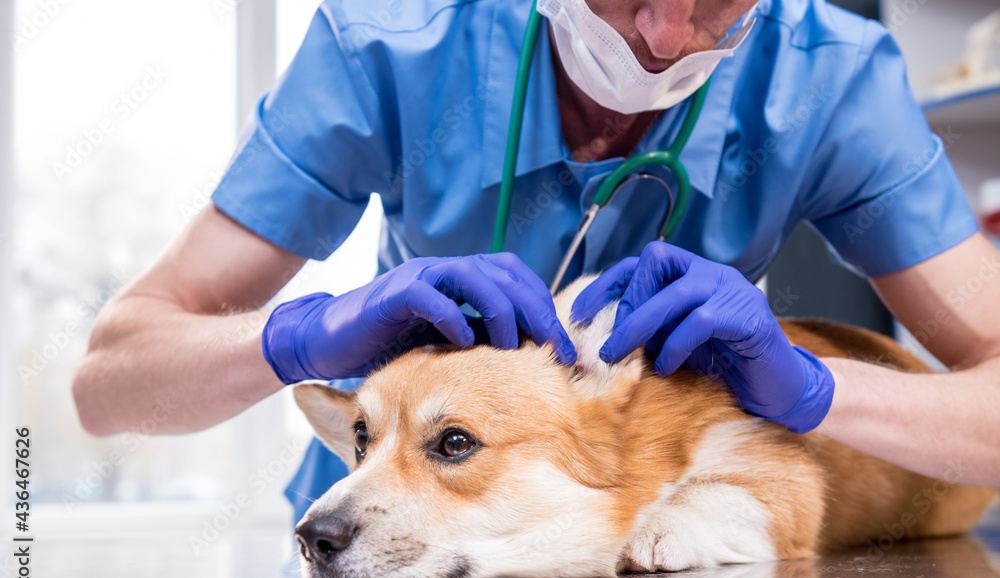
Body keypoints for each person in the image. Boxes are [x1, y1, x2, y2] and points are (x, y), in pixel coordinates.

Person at [73, 0, 1000, 525]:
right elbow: (106, 385)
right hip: (398, 538)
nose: (666, 35)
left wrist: (812, 388)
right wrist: (306, 335)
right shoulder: (388, 46)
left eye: (714, 1)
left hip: (670, 537)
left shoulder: (830, 81)